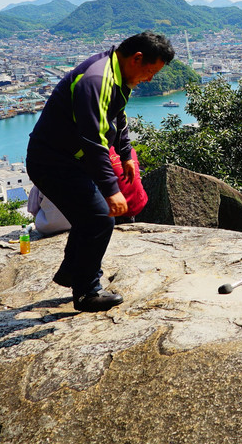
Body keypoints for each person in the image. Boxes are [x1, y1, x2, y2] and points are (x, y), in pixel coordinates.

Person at [26, 31, 174, 312]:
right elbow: (93, 140)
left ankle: (72, 272)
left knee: (89, 216)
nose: (151, 79)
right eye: (150, 71)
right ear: (137, 58)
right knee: (99, 217)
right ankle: (87, 292)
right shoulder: (98, 80)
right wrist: (112, 190)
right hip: (53, 160)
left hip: (69, 158)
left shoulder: (118, 75)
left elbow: (117, 115)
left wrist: (127, 152)